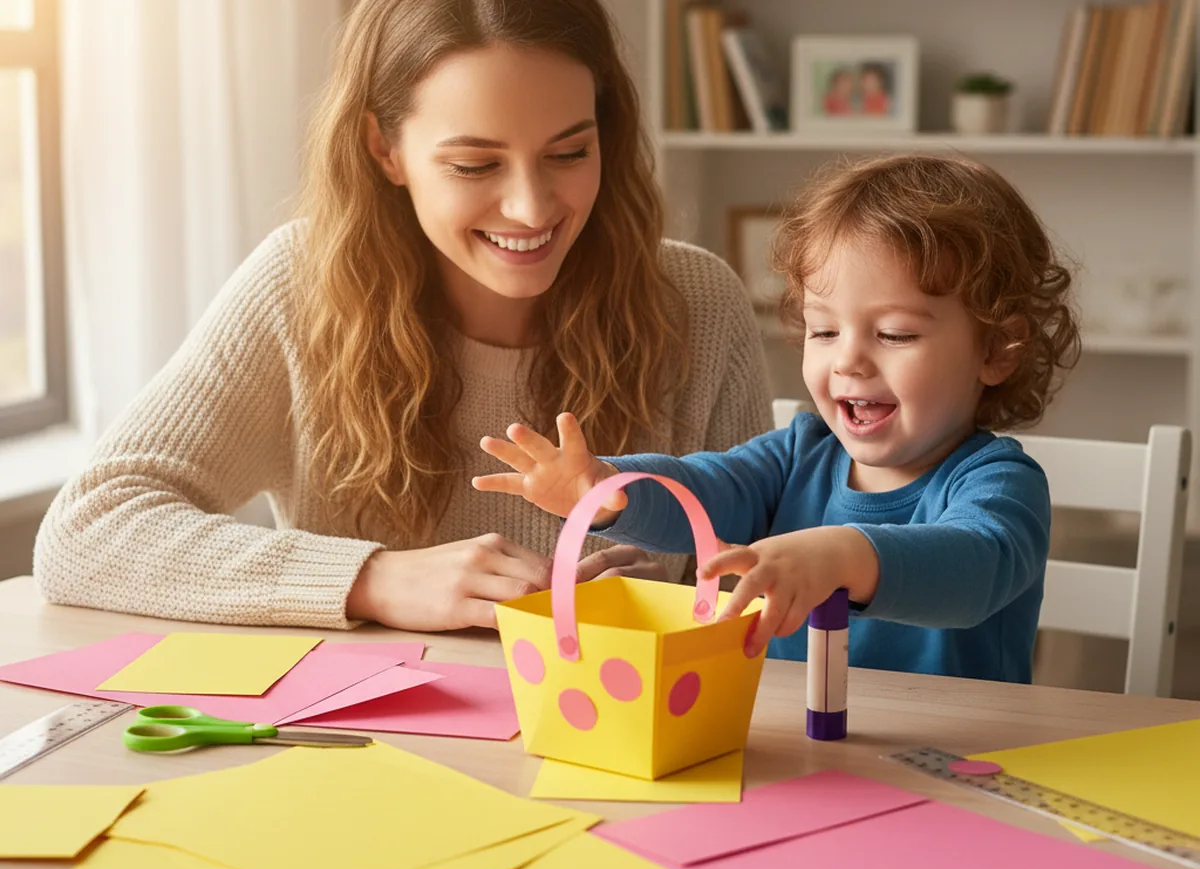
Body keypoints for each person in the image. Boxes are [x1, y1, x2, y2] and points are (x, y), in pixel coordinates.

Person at [32, 0, 773, 632]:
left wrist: (662, 611)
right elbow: (87, 531)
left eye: (569, 151)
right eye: (475, 165)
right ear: (384, 148)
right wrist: (375, 580)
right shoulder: (301, 286)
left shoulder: (695, 303)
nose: (531, 207)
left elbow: (769, 579)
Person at [473, 153, 1082, 683]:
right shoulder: (799, 453)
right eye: (824, 329)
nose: (848, 359)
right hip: (797, 745)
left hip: (956, 765)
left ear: (999, 349)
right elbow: (707, 489)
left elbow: (974, 568)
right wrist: (609, 488)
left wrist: (845, 555)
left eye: (895, 333)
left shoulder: (999, 482)